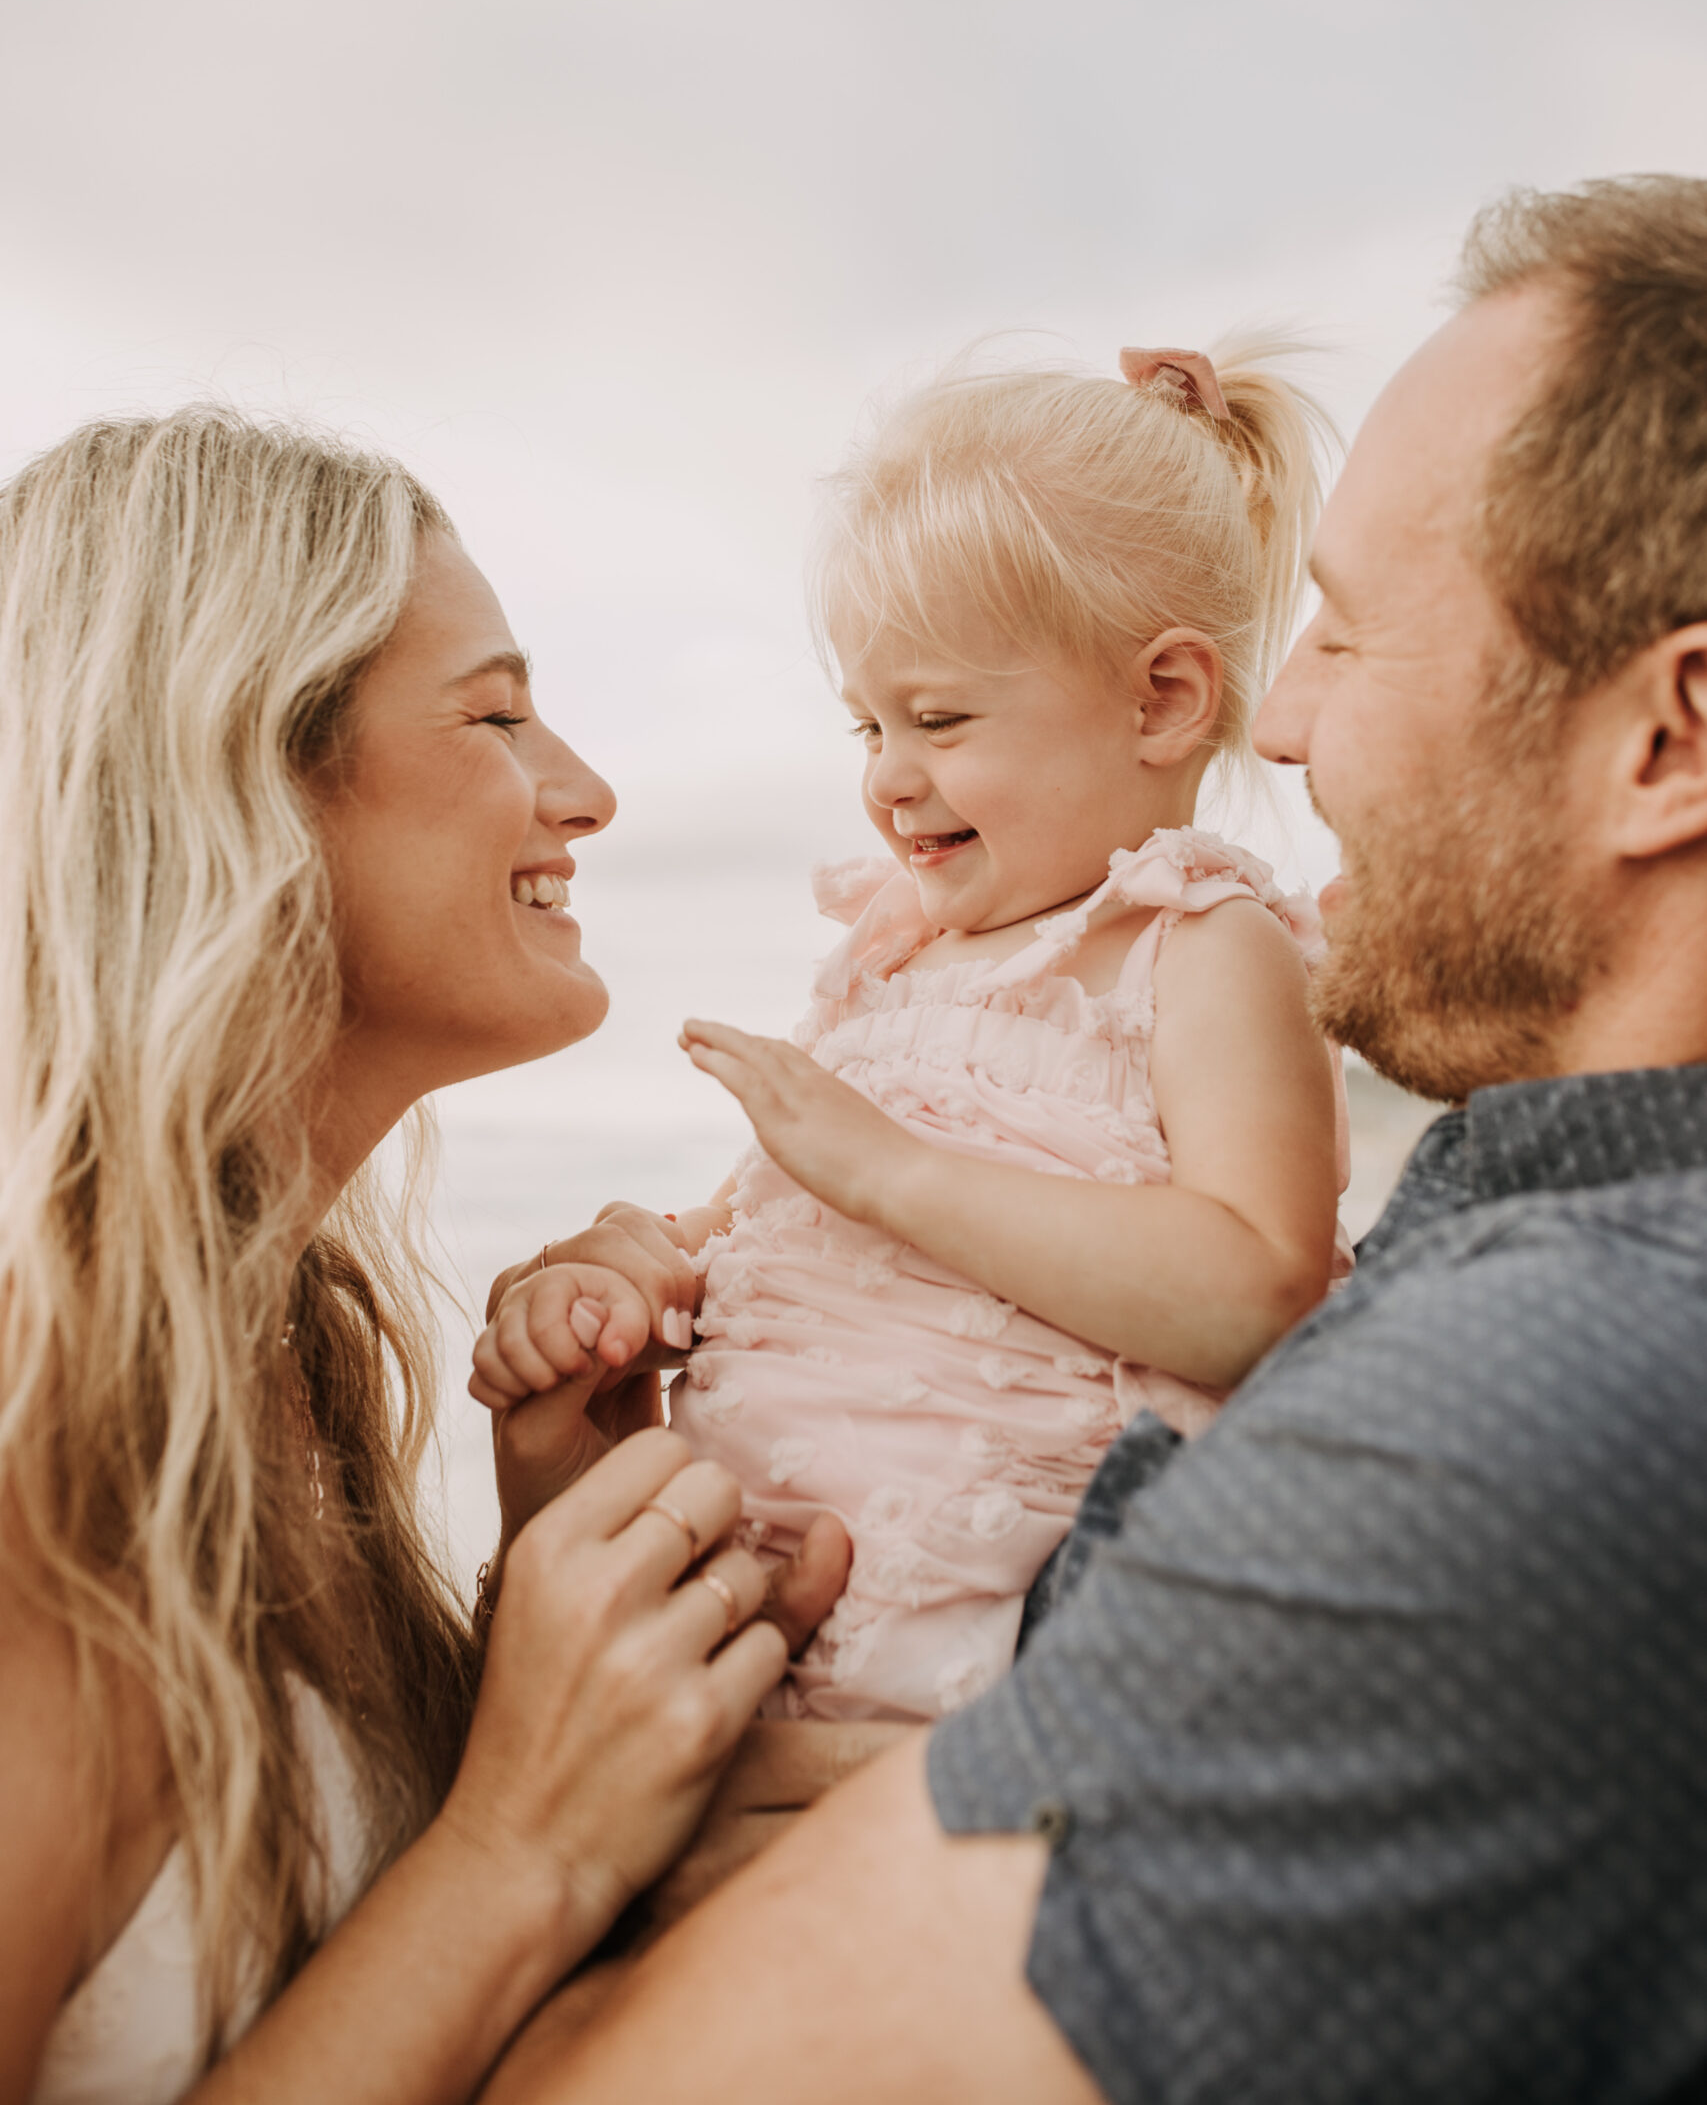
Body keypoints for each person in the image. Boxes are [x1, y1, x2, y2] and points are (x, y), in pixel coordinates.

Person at [501, 175, 1707, 2103]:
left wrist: (536, 1857)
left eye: (1350, 632)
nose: (1285, 723)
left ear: (1674, 738)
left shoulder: (1551, 1392)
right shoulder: (1512, 1250)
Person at [0, 409, 849, 2104]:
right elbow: (471, 1882)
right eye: (497, 713)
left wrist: (554, 1565)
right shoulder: (35, 1433)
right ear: (237, 772)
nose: (584, 789)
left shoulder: (280, 1356)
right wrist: (525, 1842)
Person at [475, 339, 1347, 1723]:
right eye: (866, 724)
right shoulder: (893, 954)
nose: (888, 778)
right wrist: (632, 1290)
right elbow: (792, 1231)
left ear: (1163, 700)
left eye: (938, 717)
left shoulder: (1202, 945)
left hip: (979, 1646)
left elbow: (1260, 1288)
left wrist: (893, 1171)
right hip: (745, 1613)